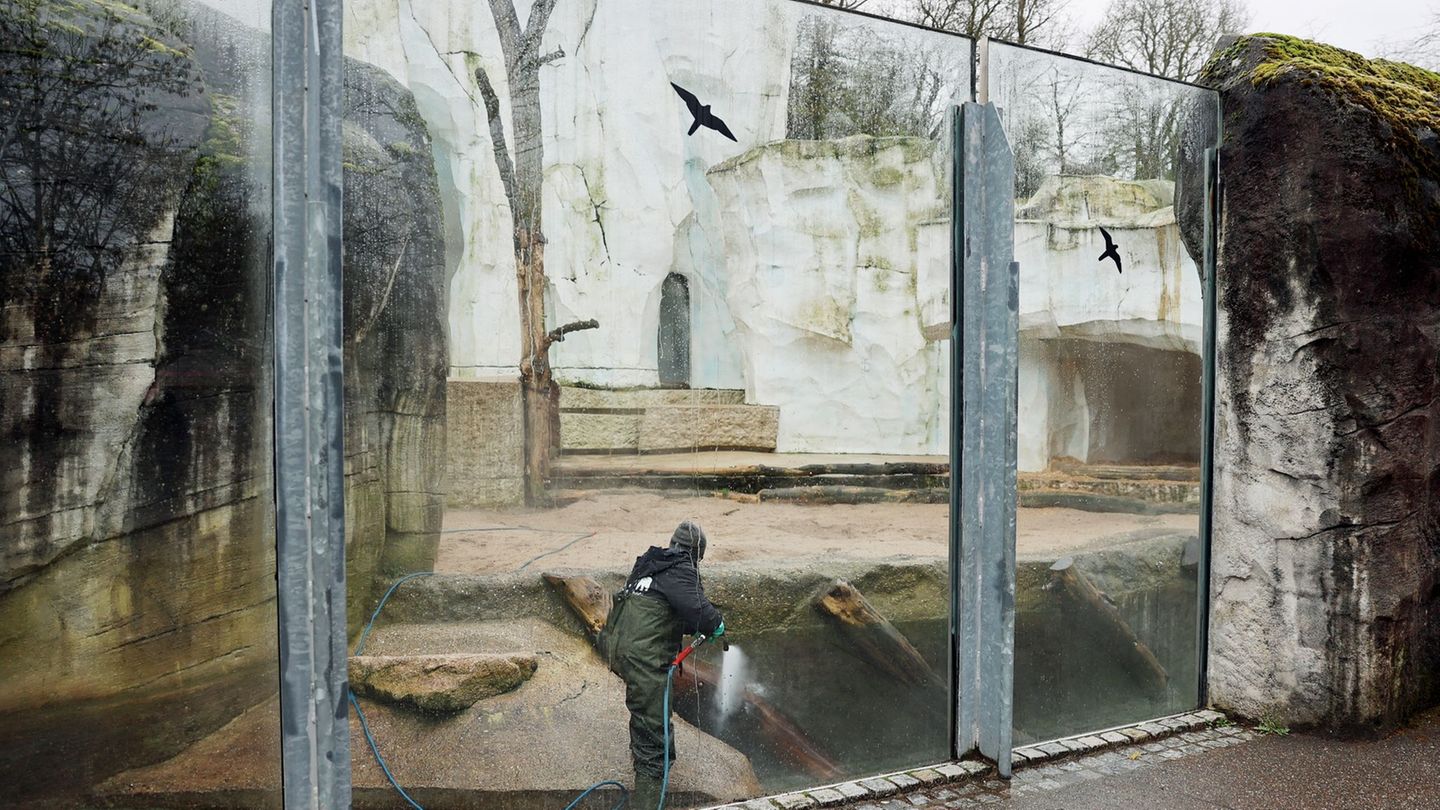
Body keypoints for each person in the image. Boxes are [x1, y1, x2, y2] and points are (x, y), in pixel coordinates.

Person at [598, 520, 725, 809]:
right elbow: (702, 615)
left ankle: (663, 767)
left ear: (673, 544)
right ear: (697, 554)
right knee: (651, 739)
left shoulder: (650, 564)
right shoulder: (681, 569)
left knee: (652, 713)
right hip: (645, 660)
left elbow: (659, 612)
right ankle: (650, 796)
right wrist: (716, 623)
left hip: (620, 650)